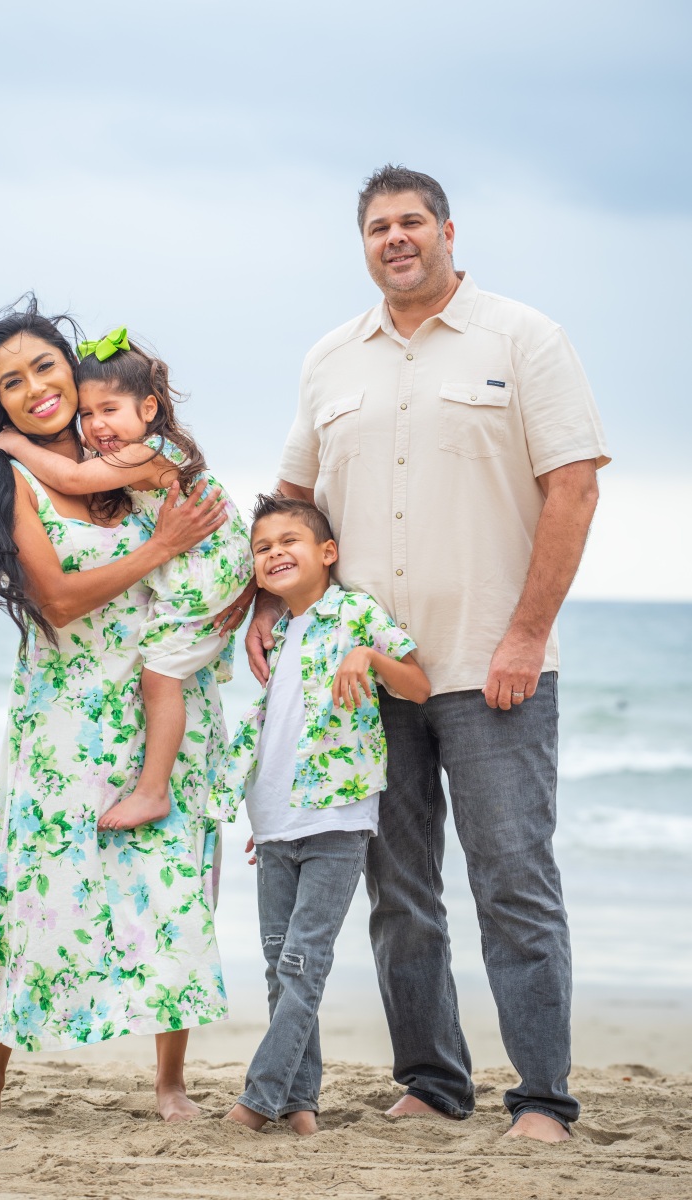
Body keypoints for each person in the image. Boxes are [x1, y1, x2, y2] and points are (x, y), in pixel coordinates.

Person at [246, 167, 611, 1142]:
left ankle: (542, 1098)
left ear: (448, 231)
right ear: (362, 244)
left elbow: (573, 488)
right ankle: (434, 1081)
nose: (395, 238)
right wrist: (267, 607)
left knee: (511, 884)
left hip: (494, 671)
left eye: (411, 222)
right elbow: (291, 499)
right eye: (377, 227)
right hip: (365, 683)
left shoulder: (523, 338)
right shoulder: (330, 359)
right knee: (399, 892)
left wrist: (524, 633)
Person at [0, 299, 242, 1121]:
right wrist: (160, 548)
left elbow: (209, 537)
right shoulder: (7, 477)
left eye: (45, 367)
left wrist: (243, 600)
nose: (35, 388)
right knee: (30, 889)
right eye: (11, 382)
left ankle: (171, 1083)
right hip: (66, 720)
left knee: (170, 888)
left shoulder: (118, 452)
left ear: (73, 374)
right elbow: (57, 599)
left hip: (162, 701)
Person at [210, 494, 430, 1134]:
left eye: (289, 541)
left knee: (303, 965)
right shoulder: (279, 632)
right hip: (275, 826)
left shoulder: (354, 613)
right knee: (279, 969)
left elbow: (417, 685)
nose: (274, 553)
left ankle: (257, 1101)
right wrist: (264, 812)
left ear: (327, 553)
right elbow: (280, 735)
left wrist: (369, 658)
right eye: (262, 547)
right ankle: (300, 1104)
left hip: (336, 822)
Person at [0, 325, 254, 832]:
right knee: (167, 671)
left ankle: (153, 791)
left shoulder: (146, 452)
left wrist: (14, 443)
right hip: (213, 559)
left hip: (204, 564)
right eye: (88, 414)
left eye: (109, 410)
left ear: (149, 409)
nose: (96, 425)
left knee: (160, 676)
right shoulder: (137, 453)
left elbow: (71, 479)